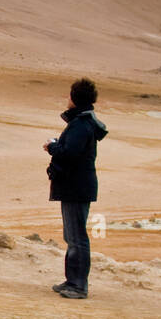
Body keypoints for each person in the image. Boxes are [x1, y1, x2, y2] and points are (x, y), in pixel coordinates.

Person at [45, 78, 108, 299]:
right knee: (72, 235)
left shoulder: (81, 125)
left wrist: (52, 146)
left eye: (70, 95)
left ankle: (78, 285)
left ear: (75, 98)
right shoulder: (82, 122)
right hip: (77, 185)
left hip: (76, 186)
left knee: (77, 236)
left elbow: (70, 154)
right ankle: (72, 280)